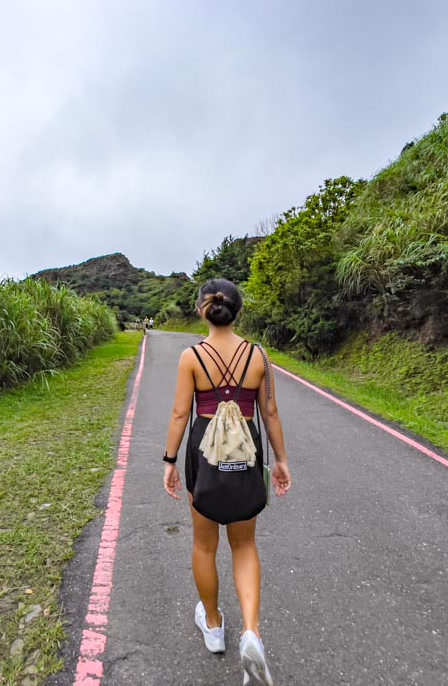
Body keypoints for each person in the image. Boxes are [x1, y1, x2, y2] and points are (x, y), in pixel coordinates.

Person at [163, 278, 291, 686]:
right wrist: (282, 461)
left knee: (204, 542)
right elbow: (269, 412)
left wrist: (168, 461)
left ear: (203, 309)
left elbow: (181, 415)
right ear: (237, 310)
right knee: (244, 543)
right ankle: (251, 631)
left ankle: (214, 627)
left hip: (204, 451)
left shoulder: (191, 357)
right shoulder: (259, 356)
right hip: (246, 452)